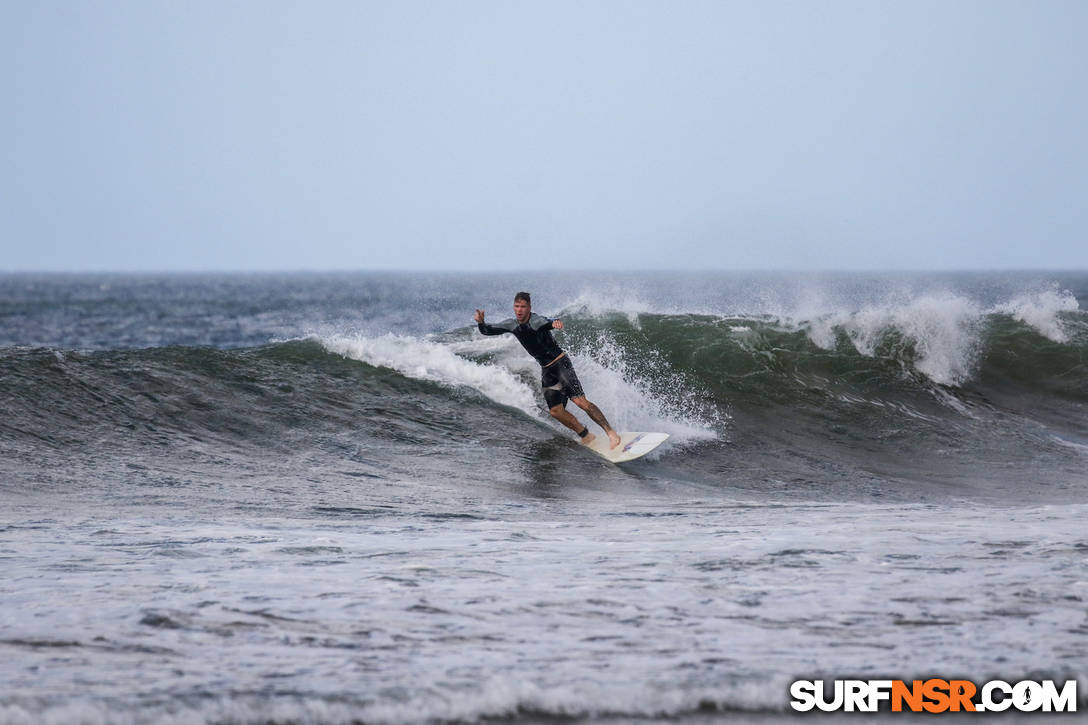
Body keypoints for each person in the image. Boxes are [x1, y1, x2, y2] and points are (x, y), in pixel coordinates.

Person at [475, 292, 622, 449]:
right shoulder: (512, 325)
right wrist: (481, 323)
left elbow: (547, 322)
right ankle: (586, 435)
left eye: (523, 307)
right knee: (556, 412)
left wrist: (554, 323)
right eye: (517, 306)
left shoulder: (536, 321)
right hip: (547, 369)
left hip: (560, 364)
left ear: (529, 308)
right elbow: (487, 331)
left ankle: (611, 433)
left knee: (580, 402)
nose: (519, 310)